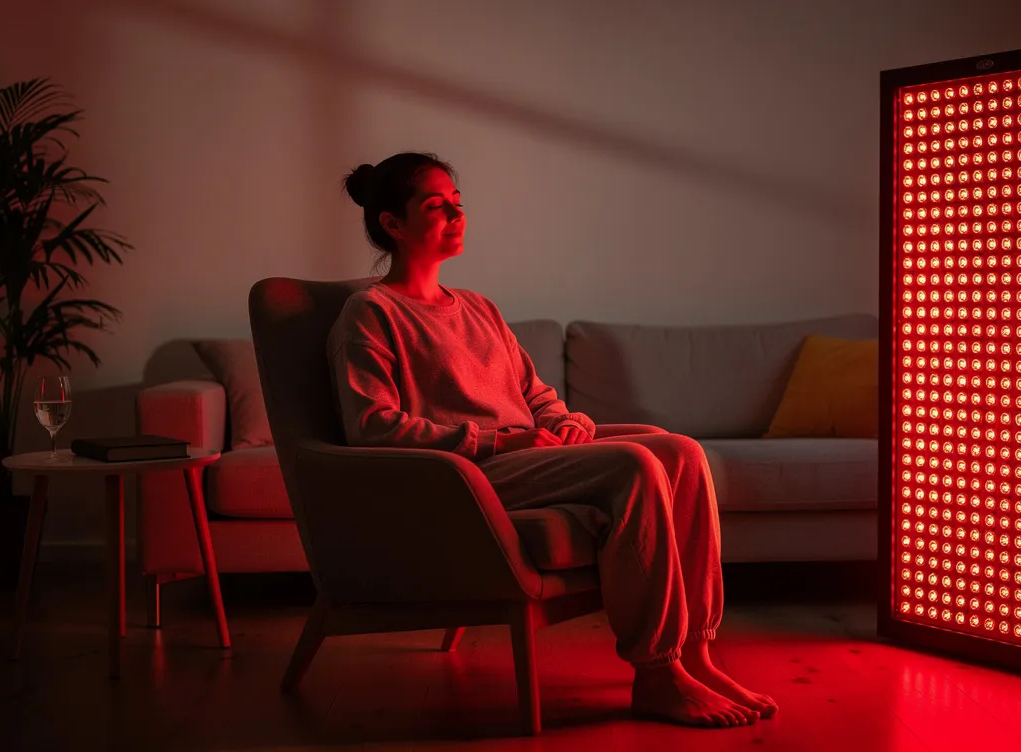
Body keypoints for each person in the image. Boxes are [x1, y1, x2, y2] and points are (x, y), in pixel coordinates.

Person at [326, 152, 777, 728]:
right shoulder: (369, 312)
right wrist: (499, 443)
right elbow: (371, 427)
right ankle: (657, 672)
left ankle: (695, 652)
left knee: (681, 451)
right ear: (392, 224)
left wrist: (568, 424)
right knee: (635, 466)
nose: (457, 216)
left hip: (529, 453)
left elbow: (536, 395)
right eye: (437, 207)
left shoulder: (478, 308)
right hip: (466, 475)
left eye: (459, 205)